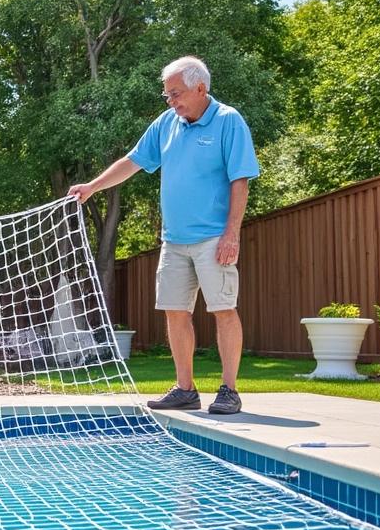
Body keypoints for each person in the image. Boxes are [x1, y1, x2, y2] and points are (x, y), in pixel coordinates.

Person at [68, 56, 258, 415]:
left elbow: (240, 179)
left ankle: (229, 390)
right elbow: (133, 161)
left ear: (200, 88)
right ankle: (185, 389)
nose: (171, 101)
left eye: (176, 93)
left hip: (214, 237)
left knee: (223, 309)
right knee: (174, 312)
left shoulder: (229, 121)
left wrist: (232, 232)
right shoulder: (167, 123)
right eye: (167, 94)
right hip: (174, 240)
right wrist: (93, 187)